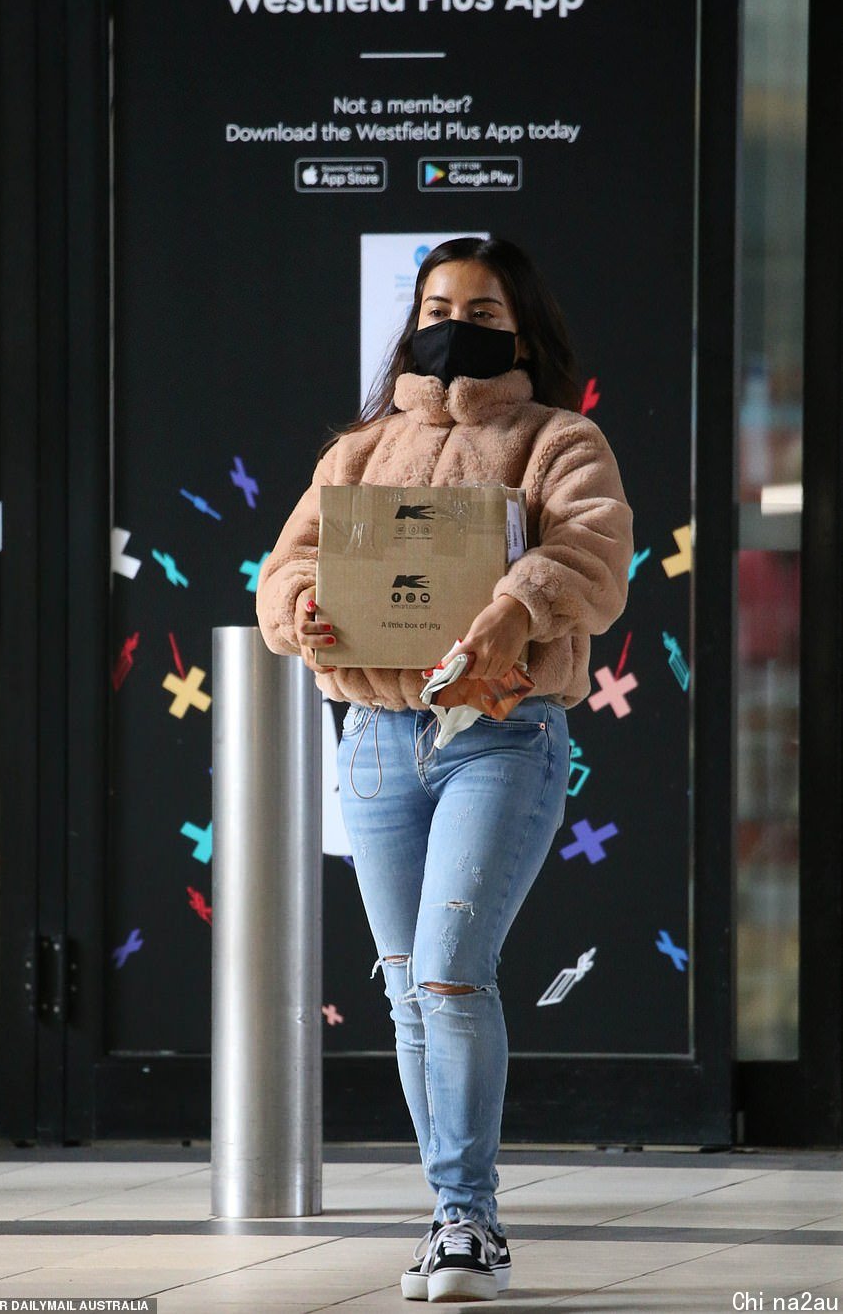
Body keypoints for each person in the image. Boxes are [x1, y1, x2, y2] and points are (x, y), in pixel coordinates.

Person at [256, 236, 633, 1303]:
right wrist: (301, 609)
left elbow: (592, 563)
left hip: (501, 737)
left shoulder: (560, 441)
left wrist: (514, 612)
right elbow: (282, 571)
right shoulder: (359, 452)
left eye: (478, 304)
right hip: (374, 740)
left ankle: (469, 1221)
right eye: (435, 302)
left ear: (520, 325)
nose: (453, 319)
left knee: (449, 974)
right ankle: (446, 1215)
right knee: (406, 998)